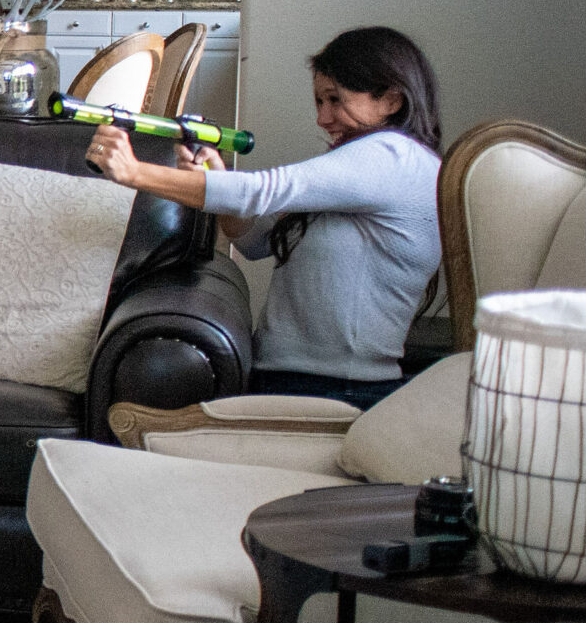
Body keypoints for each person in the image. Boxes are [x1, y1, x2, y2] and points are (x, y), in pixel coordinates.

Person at [86, 25, 442, 406]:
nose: (323, 118)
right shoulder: (365, 163)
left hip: (340, 390)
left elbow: (261, 192)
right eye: (319, 102)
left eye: (335, 100)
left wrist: (134, 172)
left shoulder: (394, 158)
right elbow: (257, 242)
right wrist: (217, 181)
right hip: (298, 381)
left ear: (391, 100)